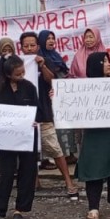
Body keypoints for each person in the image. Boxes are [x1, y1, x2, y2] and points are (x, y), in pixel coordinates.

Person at [20, 31, 79, 200]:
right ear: (21, 48)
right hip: (24, 115)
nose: (30, 48)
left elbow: (51, 80)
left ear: (37, 46)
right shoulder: (17, 64)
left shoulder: (44, 61)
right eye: (26, 46)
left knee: (55, 149)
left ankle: (68, 182)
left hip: (43, 113)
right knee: (28, 151)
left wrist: (42, 65)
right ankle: (34, 182)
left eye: (32, 45)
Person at [75, 51, 110, 219]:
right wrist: (58, 98)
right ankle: (93, 207)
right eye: (104, 61)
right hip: (94, 135)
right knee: (94, 170)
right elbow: (74, 108)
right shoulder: (85, 88)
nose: (108, 64)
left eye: (108, 60)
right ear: (96, 65)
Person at [0, 54, 39, 219]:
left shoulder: (29, 87)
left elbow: (37, 109)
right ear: (8, 75)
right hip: (6, 137)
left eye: (23, 73)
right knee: (6, 173)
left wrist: (35, 119)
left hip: (27, 135)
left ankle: (20, 210)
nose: (22, 77)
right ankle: (0, 210)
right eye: (18, 74)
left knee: (28, 172)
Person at [38, 30, 79, 165]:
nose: (51, 41)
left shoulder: (55, 56)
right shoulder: (39, 59)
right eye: (48, 38)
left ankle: (68, 154)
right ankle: (51, 158)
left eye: (52, 38)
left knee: (65, 125)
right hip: (47, 98)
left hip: (62, 97)